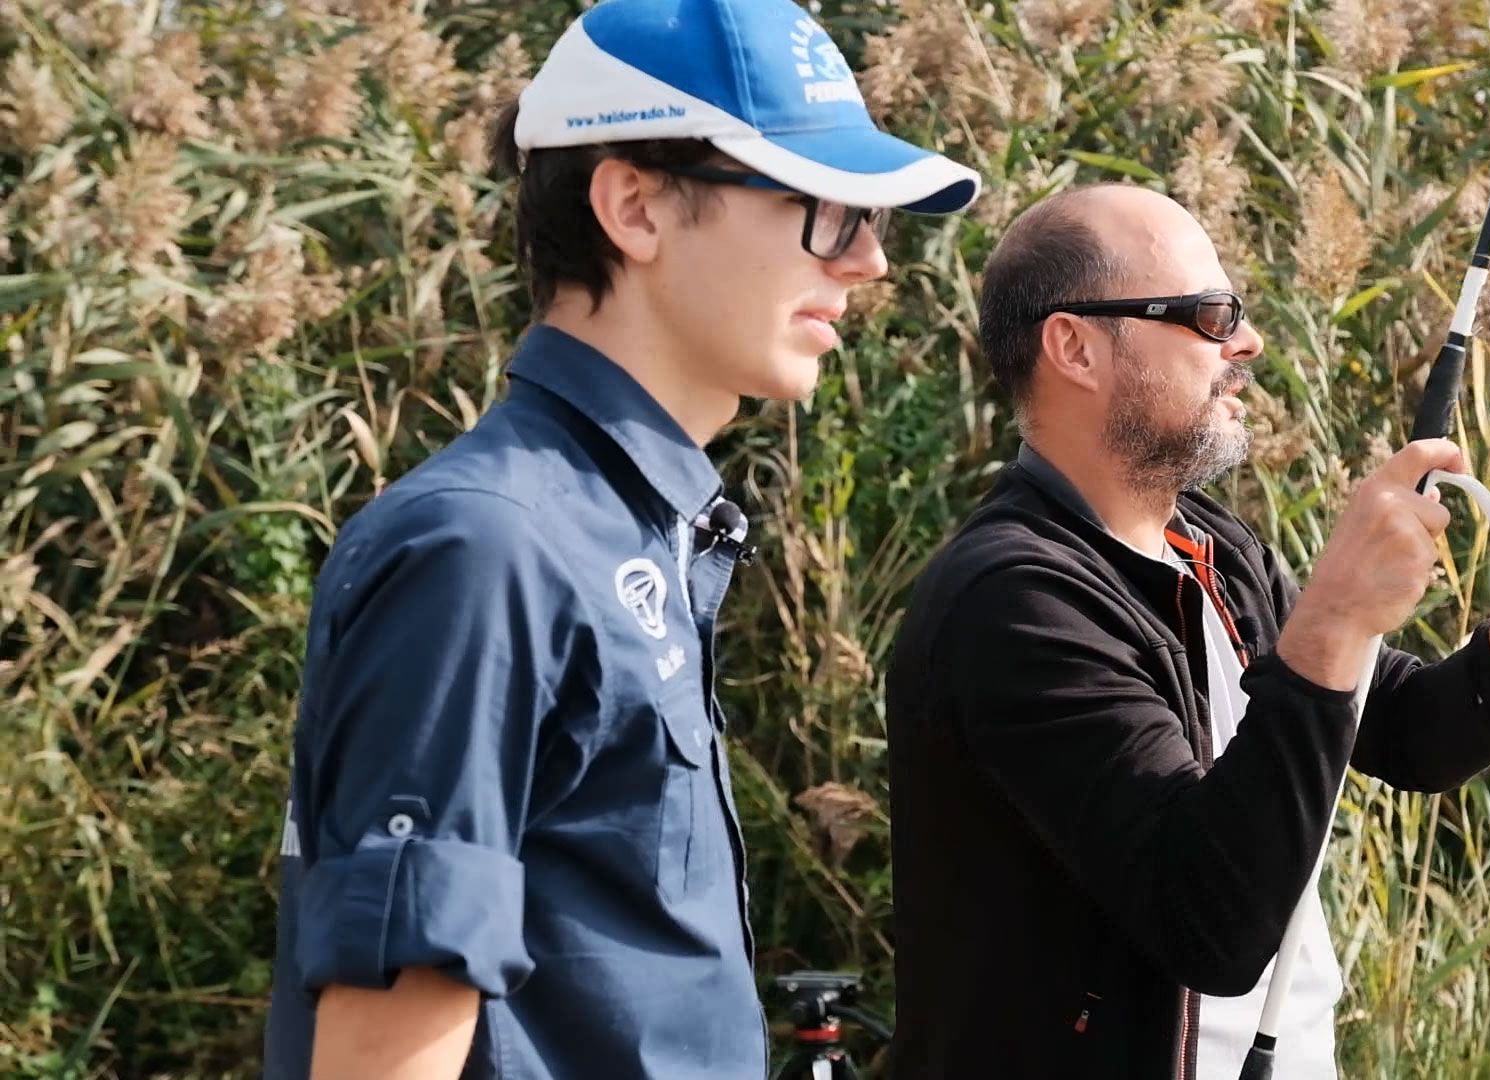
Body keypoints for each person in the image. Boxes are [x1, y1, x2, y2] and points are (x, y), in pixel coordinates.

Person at [261, 1, 978, 1077]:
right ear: (635, 207)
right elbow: (386, 1051)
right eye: (825, 209)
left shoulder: (630, 537)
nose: (869, 261)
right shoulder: (490, 553)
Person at [883, 183, 1490, 1079]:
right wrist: (1334, 618)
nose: (1248, 343)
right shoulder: (1015, 600)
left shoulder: (1214, 546)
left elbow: (1400, 734)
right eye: (1211, 316)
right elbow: (1208, 922)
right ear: (1075, 347)